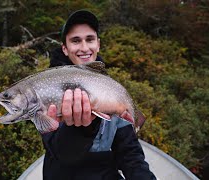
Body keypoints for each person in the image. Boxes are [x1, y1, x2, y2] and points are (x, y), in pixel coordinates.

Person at [41, 9, 156, 180]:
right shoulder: (46, 86)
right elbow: (62, 153)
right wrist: (82, 128)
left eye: (90, 39)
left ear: (98, 44)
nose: (84, 47)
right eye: (75, 41)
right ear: (65, 49)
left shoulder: (111, 89)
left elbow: (130, 154)